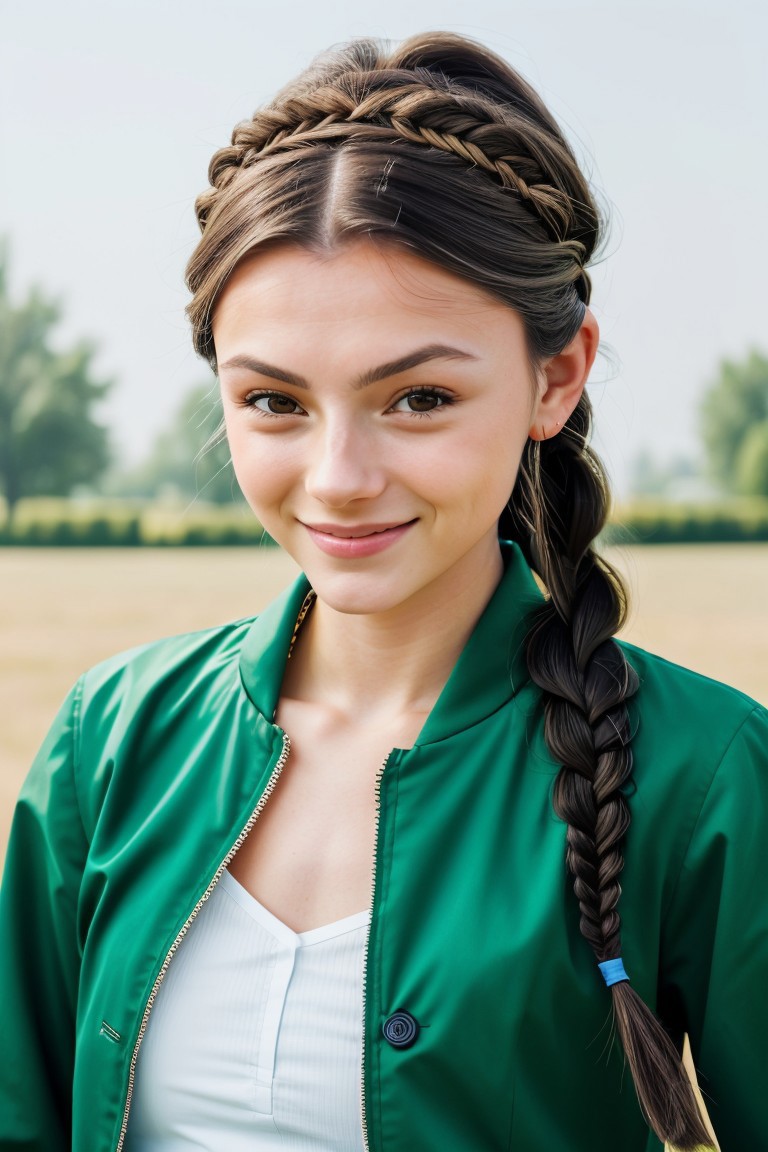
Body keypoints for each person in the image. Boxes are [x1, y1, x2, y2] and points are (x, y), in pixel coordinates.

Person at [0, 30, 766, 1152]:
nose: (339, 480)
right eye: (274, 402)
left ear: (557, 376)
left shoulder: (705, 778)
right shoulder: (113, 738)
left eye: (417, 399)